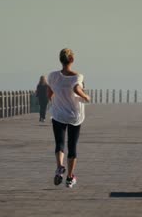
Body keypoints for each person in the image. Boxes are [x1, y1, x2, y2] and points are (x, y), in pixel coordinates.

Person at [47, 48, 90, 188]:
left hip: (58, 114)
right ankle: (70, 178)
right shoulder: (77, 77)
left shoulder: (53, 76)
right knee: (72, 146)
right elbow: (76, 89)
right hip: (74, 116)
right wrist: (86, 96)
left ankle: (60, 167)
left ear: (61, 60)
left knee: (59, 144)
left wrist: (56, 100)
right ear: (72, 60)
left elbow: (50, 92)